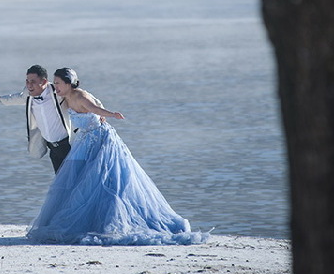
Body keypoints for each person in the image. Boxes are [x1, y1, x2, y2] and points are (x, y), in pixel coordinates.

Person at [27, 68, 209, 246]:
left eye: (58, 83)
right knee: (83, 179)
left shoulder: (79, 96)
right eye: (54, 83)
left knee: (104, 179)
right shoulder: (64, 98)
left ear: (68, 83)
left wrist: (111, 114)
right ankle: (88, 219)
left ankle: (109, 221)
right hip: (85, 139)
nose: (55, 86)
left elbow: (94, 108)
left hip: (100, 139)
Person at [0, 64, 72, 173]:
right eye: (27, 81)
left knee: (76, 182)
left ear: (44, 82)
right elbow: (18, 98)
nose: (29, 85)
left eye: (33, 81)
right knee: (62, 185)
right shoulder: (28, 95)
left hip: (69, 146)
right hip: (53, 150)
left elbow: (81, 97)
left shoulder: (57, 93)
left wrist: (99, 112)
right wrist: (3, 100)